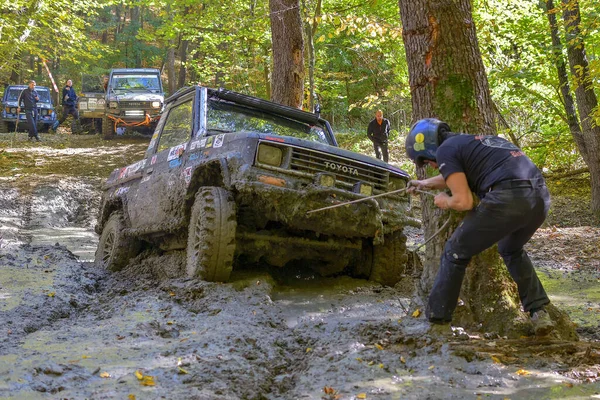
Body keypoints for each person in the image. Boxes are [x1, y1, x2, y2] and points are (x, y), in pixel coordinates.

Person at [405, 118, 554, 336]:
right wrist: (424, 183)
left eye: (428, 162)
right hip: (539, 198)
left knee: (455, 251)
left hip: (508, 198)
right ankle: (539, 312)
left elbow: (463, 201)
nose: (433, 166)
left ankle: (438, 323)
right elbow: (454, 176)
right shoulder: (471, 142)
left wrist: (444, 201)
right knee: (510, 249)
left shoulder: (446, 150)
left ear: (430, 148)